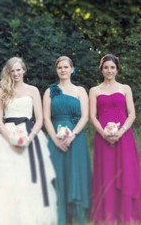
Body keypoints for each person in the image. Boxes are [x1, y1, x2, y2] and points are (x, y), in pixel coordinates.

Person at [0, 57, 57, 225]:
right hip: (6, 138)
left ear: (24, 70)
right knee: (4, 179)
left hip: (30, 135)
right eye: (12, 70)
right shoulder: (2, 91)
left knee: (29, 178)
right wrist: (10, 139)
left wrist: (29, 138)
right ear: (9, 72)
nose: (15, 73)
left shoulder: (33, 91)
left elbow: (40, 119)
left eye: (18, 70)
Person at [89, 54, 141, 224]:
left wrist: (121, 131)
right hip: (103, 138)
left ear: (117, 69)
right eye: (106, 67)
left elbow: (132, 114)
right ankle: (108, 215)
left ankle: (126, 214)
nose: (109, 70)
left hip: (124, 137)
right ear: (101, 69)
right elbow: (92, 116)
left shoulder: (125, 88)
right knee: (107, 173)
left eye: (112, 67)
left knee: (126, 172)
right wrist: (104, 133)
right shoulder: (94, 90)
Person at [43, 56, 92, 225]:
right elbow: (46, 118)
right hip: (55, 140)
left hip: (76, 140)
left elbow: (85, 116)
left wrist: (72, 135)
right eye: (60, 67)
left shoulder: (80, 91)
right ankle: (59, 218)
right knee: (57, 177)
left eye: (66, 67)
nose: (63, 70)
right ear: (56, 70)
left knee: (75, 176)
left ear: (72, 69)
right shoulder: (50, 91)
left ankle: (77, 218)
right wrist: (55, 139)